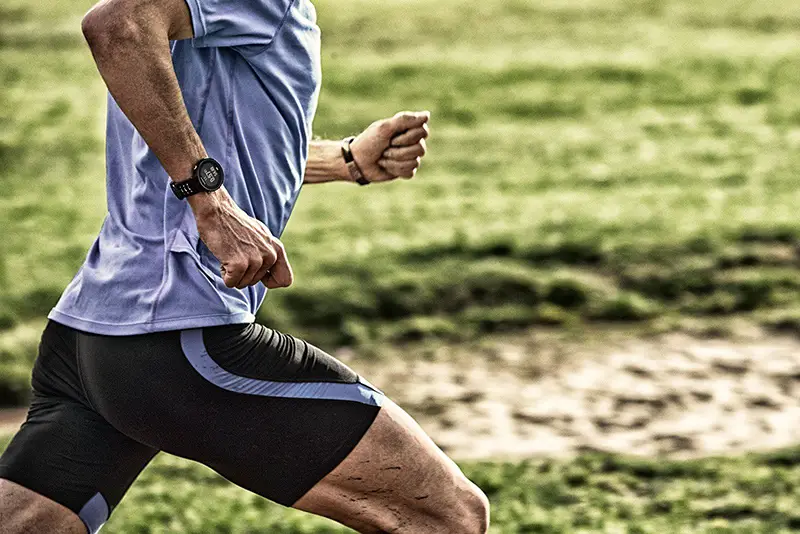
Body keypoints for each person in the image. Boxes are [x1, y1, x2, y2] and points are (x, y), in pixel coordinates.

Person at [0, 0, 490, 532]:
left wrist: (345, 160)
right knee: (447, 517)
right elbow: (116, 26)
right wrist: (210, 203)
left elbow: (229, 135)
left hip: (94, 336)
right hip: (180, 339)